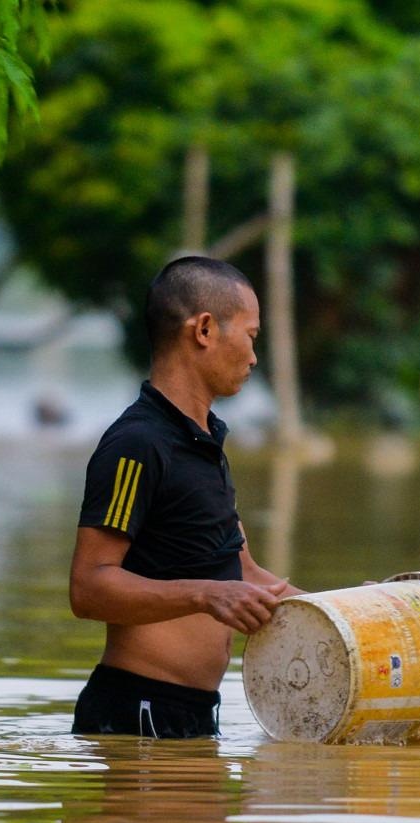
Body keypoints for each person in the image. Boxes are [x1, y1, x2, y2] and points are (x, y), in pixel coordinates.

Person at [68, 256, 300, 738]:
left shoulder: (206, 442)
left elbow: (246, 576)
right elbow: (88, 589)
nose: (254, 356)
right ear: (205, 330)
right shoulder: (138, 444)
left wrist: (359, 611)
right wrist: (205, 594)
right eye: (251, 335)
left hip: (192, 714)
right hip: (138, 712)